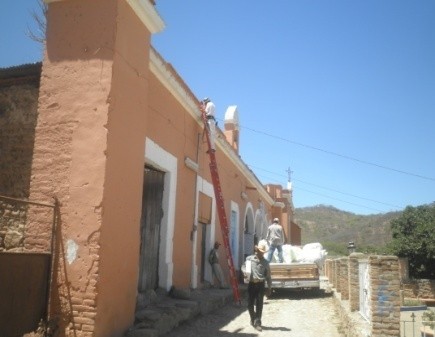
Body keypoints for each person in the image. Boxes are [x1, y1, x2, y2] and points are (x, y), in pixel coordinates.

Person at [244, 241, 272, 331]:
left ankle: (258, 322)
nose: (261, 253)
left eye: (263, 252)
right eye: (260, 251)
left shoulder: (266, 263)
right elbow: (243, 267)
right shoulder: (249, 259)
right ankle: (253, 318)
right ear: (257, 250)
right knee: (249, 304)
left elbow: (268, 276)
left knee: (259, 304)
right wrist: (244, 272)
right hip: (251, 284)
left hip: (261, 285)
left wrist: (269, 288)